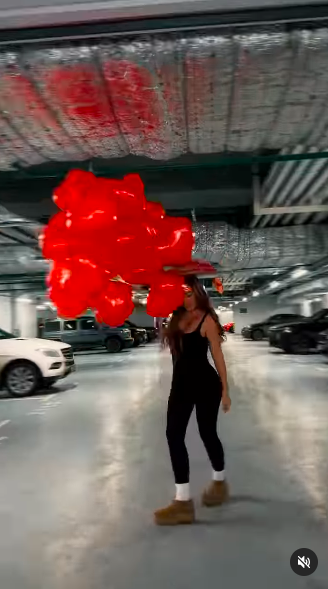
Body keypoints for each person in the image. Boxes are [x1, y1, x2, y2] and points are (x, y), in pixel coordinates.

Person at [154, 275, 231, 525]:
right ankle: (183, 502)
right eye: (181, 295)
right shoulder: (176, 318)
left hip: (206, 386)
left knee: (207, 433)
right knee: (173, 435)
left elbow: (217, 356)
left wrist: (225, 390)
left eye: (189, 294)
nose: (186, 299)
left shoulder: (207, 320)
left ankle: (219, 482)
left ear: (198, 292)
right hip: (181, 387)